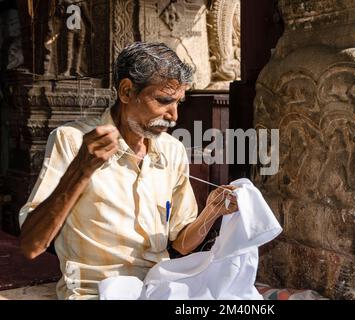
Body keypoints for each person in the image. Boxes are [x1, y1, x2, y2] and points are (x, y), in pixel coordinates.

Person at [18, 42, 237, 299]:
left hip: (158, 289)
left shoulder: (172, 150)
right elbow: (32, 245)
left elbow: (180, 244)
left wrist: (212, 211)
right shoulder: (72, 141)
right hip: (95, 293)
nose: (174, 115)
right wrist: (80, 171)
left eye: (179, 102)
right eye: (163, 101)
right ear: (126, 91)